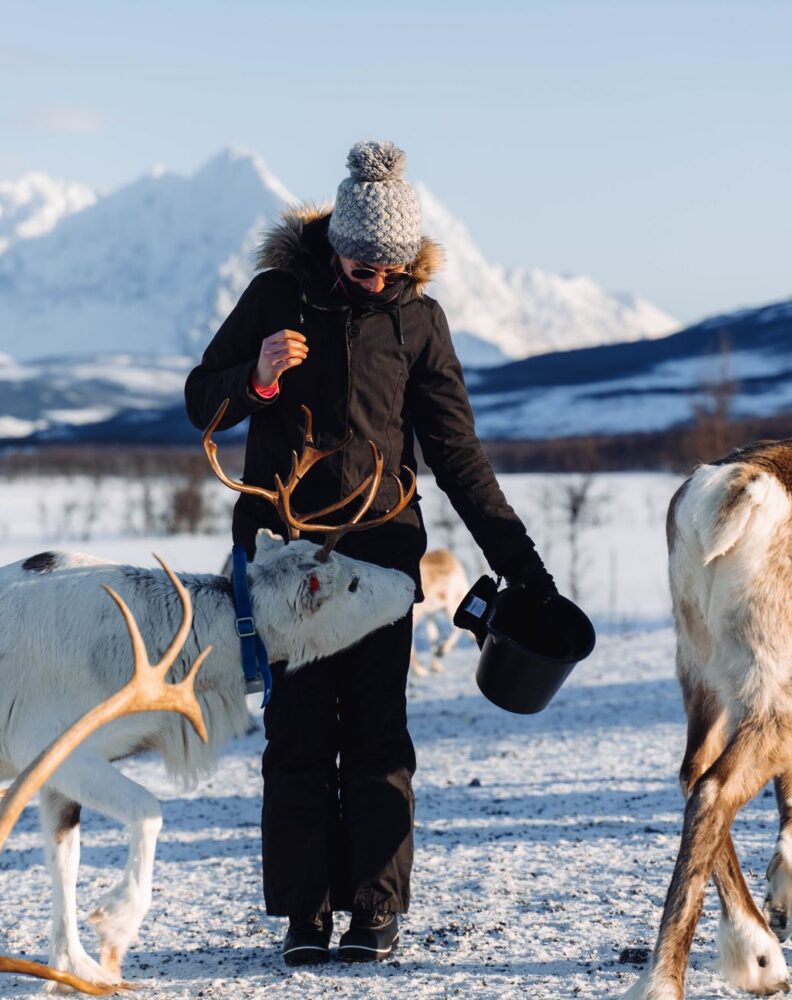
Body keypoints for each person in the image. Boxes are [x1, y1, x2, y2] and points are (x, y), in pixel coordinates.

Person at [184, 140, 557, 965]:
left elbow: (457, 455)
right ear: (336, 249)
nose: (376, 282)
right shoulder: (276, 296)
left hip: (384, 561)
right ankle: (306, 910)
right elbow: (198, 401)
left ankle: (374, 907)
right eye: (361, 268)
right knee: (300, 736)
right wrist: (257, 378)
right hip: (288, 560)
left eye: (390, 271)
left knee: (381, 738)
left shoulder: (418, 320)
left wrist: (525, 567)